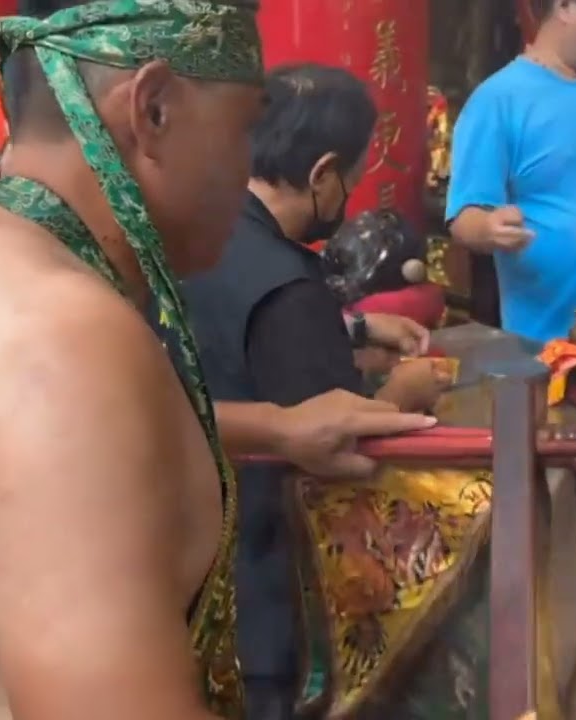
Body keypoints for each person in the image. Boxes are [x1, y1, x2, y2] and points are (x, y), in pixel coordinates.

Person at [0, 3, 432, 720]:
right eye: (245, 128)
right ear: (154, 110)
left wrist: (277, 427)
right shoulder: (59, 336)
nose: (246, 172)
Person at [179, 63, 448, 718]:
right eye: (352, 178)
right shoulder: (290, 285)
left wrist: (349, 327)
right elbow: (337, 447)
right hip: (264, 581)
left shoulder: (194, 231)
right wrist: (407, 392)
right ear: (323, 173)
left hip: (182, 552)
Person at [446, 0, 576, 344]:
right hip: (556, 340)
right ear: (567, 7)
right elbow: (463, 217)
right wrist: (488, 227)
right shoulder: (498, 99)